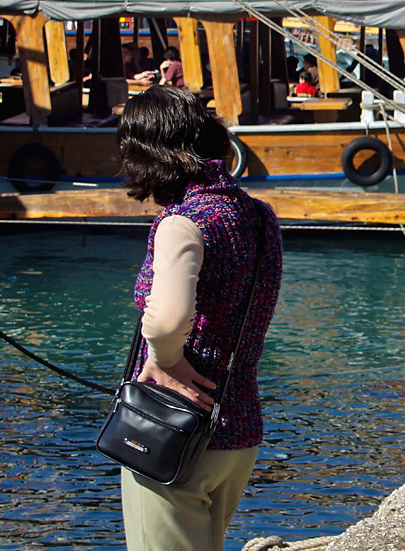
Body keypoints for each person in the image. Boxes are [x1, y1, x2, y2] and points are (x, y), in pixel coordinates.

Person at [116, 85, 283, 551]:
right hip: (239, 428)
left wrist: (165, 359)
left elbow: (168, 320)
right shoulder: (257, 215)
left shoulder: (183, 222)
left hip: (172, 430)